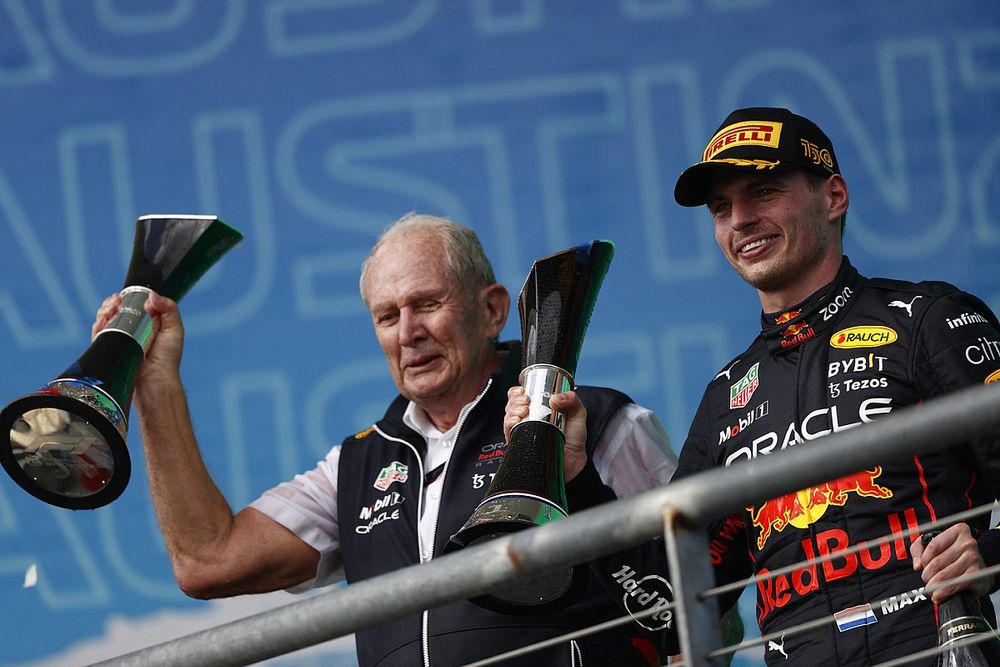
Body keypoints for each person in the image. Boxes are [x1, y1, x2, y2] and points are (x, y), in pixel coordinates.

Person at [506, 108, 1000, 665]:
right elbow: (668, 611)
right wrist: (580, 479)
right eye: (722, 208)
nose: (739, 219)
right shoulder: (726, 396)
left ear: (833, 196)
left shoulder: (926, 319)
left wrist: (987, 553)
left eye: (763, 192)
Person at [93, 213, 678, 666]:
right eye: (387, 316)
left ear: (494, 309)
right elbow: (206, 561)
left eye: (427, 304)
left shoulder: (597, 420)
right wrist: (157, 384)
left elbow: (702, 609)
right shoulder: (356, 464)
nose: (409, 332)